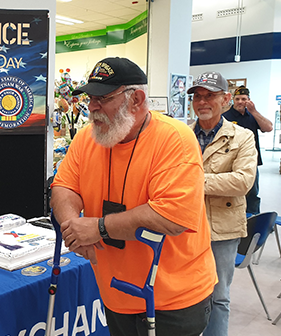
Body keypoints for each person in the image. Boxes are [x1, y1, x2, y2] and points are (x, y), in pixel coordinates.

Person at [51, 57, 217, 336]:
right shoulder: (86, 138)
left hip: (172, 300)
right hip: (115, 293)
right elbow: (64, 186)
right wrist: (73, 229)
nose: (92, 107)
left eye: (102, 98)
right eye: (90, 98)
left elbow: (171, 217)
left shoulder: (175, 139)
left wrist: (97, 228)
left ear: (137, 100)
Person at [188, 72, 257, 336]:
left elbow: (242, 182)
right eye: (197, 96)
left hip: (223, 230)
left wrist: (193, 181)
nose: (202, 102)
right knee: (184, 295)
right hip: (184, 225)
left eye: (209, 96)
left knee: (218, 296)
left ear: (226, 99)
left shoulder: (243, 137)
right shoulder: (182, 135)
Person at [222, 86, 273, 214]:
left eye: (244, 99)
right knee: (232, 194)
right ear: (232, 100)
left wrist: (254, 111)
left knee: (253, 195)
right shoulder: (225, 117)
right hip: (230, 162)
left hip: (251, 162)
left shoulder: (253, 116)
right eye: (237, 99)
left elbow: (268, 127)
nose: (240, 102)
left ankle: (253, 223)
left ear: (249, 100)